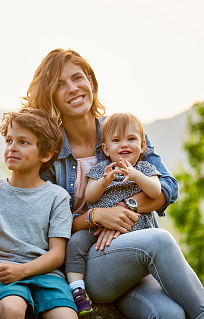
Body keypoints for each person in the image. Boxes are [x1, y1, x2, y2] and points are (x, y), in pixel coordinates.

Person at [22, 48, 204, 319]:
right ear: (50, 95)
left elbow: (168, 188)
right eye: (59, 85)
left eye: (78, 78)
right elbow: (47, 224)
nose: (73, 88)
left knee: (170, 315)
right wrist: (97, 216)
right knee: (160, 240)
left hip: (134, 257)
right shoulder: (49, 154)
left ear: (90, 81)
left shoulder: (122, 131)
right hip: (87, 263)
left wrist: (125, 209)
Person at [0, 108, 78, 319]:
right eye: (9, 141)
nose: (12, 148)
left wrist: (23, 270)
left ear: (45, 154)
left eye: (23, 142)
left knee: (66, 316)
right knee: (11, 309)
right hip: (7, 280)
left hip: (49, 277)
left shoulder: (57, 197)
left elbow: (57, 254)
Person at [65, 112, 162, 314]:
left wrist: (137, 176)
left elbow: (156, 192)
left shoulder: (145, 167)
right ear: (106, 149)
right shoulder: (102, 169)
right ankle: (77, 289)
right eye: (117, 141)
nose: (124, 145)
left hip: (134, 227)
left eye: (131, 139)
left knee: (152, 248)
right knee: (75, 244)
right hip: (97, 228)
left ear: (143, 146)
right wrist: (103, 182)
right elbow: (90, 197)